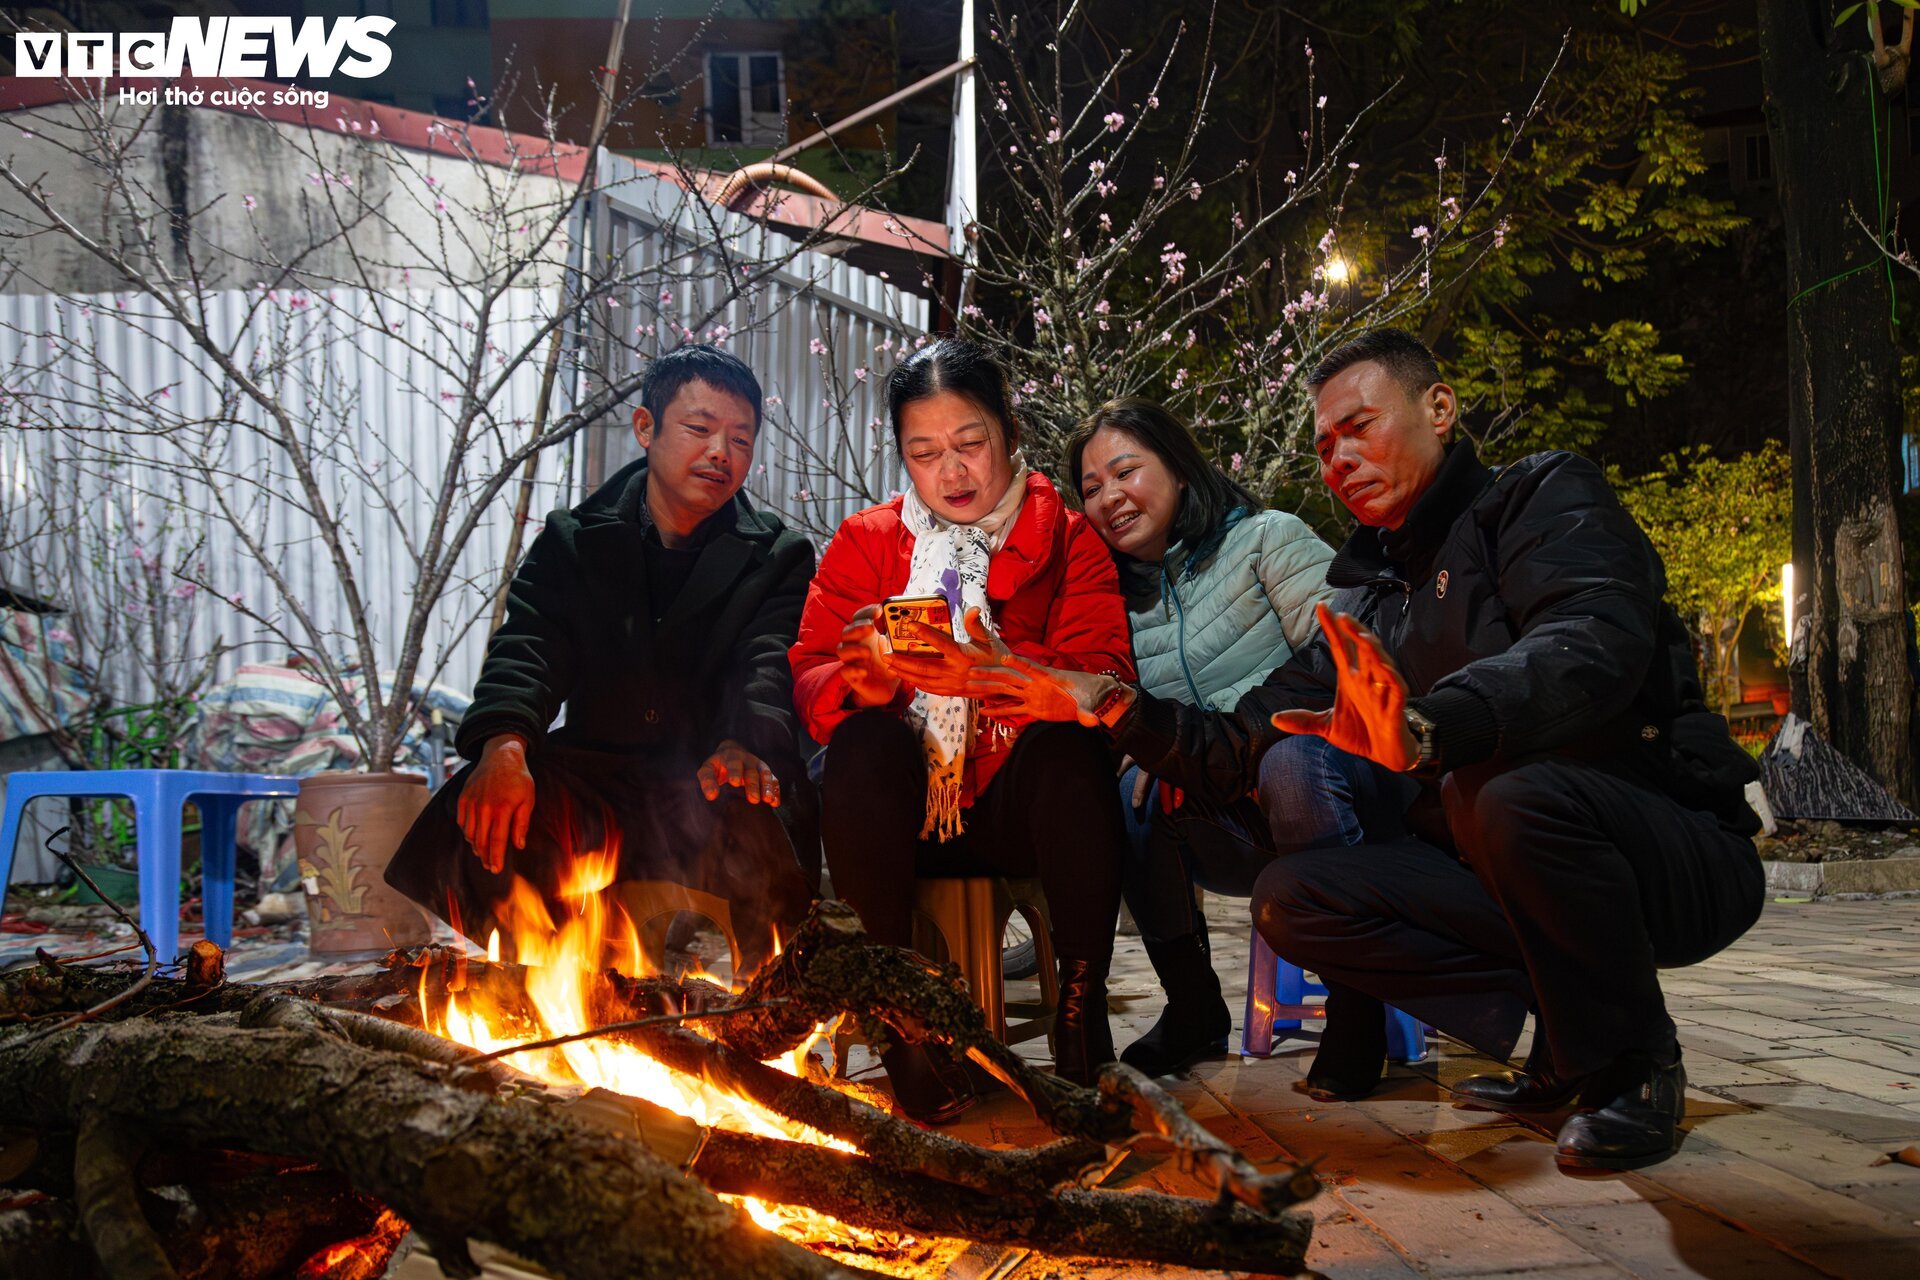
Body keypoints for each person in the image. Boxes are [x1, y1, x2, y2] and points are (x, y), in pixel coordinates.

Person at [956, 328, 1766, 1172]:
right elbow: (1236, 742)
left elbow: (1591, 638)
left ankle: (1634, 1062)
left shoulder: (1540, 497)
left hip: (1661, 844)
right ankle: (1564, 1037)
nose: (1338, 457)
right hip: (1491, 862)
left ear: (1439, 408)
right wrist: (1106, 701)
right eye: (1323, 444)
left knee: (1509, 792)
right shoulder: (1369, 600)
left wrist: (1429, 726)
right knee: (1295, 897)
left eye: (1359, 426)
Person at [386, 344, 816, 978]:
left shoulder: (776, 555)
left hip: (708, 781)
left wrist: (744, 742)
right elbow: (528, 646)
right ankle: (555, 982)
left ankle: (768, 1004)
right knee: (494, 794)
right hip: (599, 782)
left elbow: (769, 664)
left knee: (757, 805)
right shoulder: (573, 541)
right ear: (646, 427)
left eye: (741, 440)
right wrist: (504, 746)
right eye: (700, 429)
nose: (721, 453)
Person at [790, 337, 1134, 1120]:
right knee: (863, 741)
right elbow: (809, 674)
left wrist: (1001, 672)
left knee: (1070, 745)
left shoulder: (1070, 539)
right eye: (925, 452)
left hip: (1018, 805)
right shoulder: (867, 543)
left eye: (971, 444)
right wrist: (862, 683)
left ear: (1010, 432)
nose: (952, 473)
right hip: (904, 818)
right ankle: (902, 1022)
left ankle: (1080, 1018)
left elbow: (1106, 676)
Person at [1065, 397, 1334, 1075]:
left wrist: (1196, 731)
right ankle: (1192, 1009)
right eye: (1091, 488)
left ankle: (1358, 1005)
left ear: (1180, 469)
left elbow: (1342, 661)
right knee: (1124, 790)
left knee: (1294, 763)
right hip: (1219, 817)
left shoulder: (1269, 539)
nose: (1109, 499)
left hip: (1315, 798)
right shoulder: (1112, 601)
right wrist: (1149, 753)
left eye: (1126, 471)